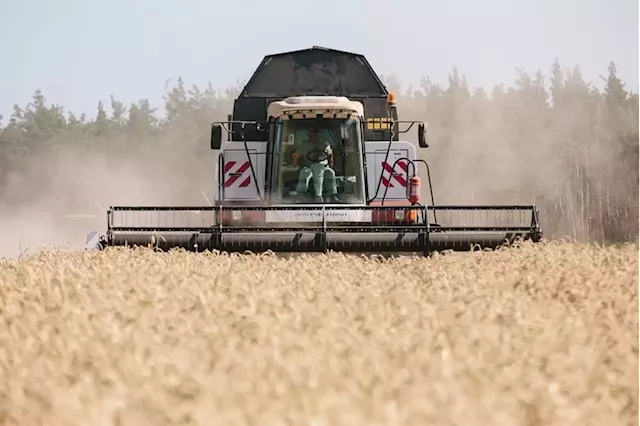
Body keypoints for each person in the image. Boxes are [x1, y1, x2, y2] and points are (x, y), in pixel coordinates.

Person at [291, 127, 338, 202]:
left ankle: (332, 195)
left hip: (323, 167)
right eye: (312, 133)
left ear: (318, 134)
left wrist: (331, 163)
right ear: (309, 135)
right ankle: (301, 194)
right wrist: (294, 162)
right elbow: (296, 155)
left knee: (331, 173)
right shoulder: (304, 144)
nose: (314, 135)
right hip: (308, 167)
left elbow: (330, 154)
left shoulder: (325, 143)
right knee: (304, 172)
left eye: (315, 133)